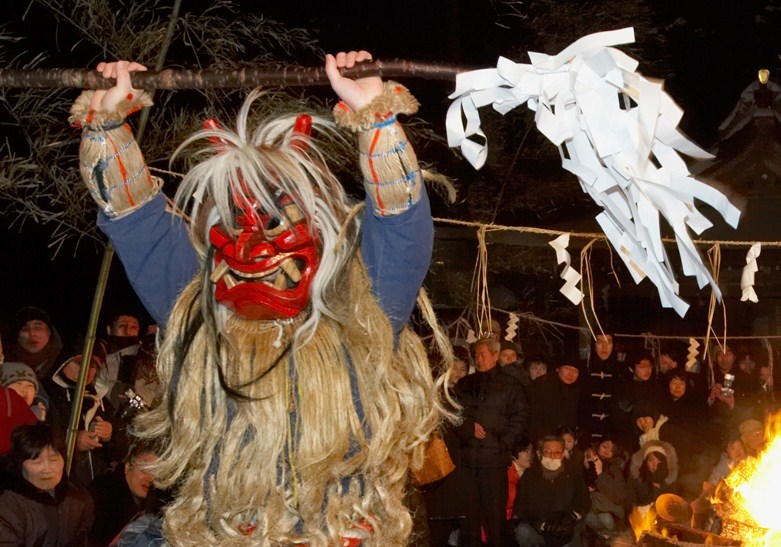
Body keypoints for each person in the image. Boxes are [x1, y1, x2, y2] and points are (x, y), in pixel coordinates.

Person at [70, 51, 449, 544]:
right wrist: (105, 125)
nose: (250, 244)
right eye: (232, 223)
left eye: (272, 218)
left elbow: (400, 228)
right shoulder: (200, 319)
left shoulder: (361, 319)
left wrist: (375, 114)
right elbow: (139, 223)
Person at [454, 338, 529, 545]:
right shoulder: (464, 384)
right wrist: (465, 427)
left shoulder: (511, 385)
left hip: (494, 462)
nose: (478, 359)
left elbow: (521, 418)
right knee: (468, 521)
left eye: (483, 354)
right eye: (476, 355)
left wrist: (502, 443)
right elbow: (451, 413)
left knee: (495, 521)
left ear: (495, 356)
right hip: (467, 462)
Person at [0, 423, 94, 545]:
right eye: (37, 462)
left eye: (54, 460)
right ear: (20, 464)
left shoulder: (79, 499)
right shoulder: (7, 505)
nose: (47, 469)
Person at [46, 354, 115, 487]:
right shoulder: (49, 394)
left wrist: (109, 433)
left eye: (92, 365)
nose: (86, 369)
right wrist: (72, 441)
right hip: (63, 482)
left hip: (94, 484)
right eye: (78, 363)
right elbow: (42, 436)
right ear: (63, 363)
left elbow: (116, 450)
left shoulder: (100, 400)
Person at [512, 435, 589, 547]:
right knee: (523, 531)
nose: (552, 456)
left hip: (566, 529)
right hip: (540, 528)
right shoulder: (529, 476)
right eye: (547, 452)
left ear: (563, 455)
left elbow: (584, 500)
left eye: (557, 453)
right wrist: (542, 523)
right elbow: (521, 507)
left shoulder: (574, 473)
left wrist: (572, 517)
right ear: (539, 454)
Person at [88, 442, 160, 546]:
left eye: (156, 474)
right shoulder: (103, 497)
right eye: (144, 471)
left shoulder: (148, 506)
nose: (149, 479)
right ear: (127, 467)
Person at [528, 352, 583, 442]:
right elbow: (534, 420)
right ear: (558, 369)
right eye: (567, 368)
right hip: (544, 440)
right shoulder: (541, 386)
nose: (571, 374)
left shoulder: (577, 389)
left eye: (575, 371)